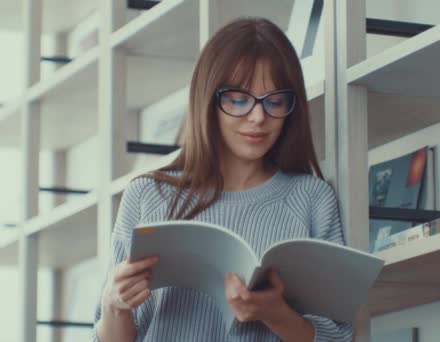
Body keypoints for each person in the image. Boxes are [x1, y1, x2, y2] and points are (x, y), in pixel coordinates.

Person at [92, 17, 354, 342]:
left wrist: (274, 313)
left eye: (275, 101)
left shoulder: (312, 199)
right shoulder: (148, 195)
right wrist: (114, 304)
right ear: (208, 101)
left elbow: (338, 338)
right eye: (239, 99)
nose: (258, 117)